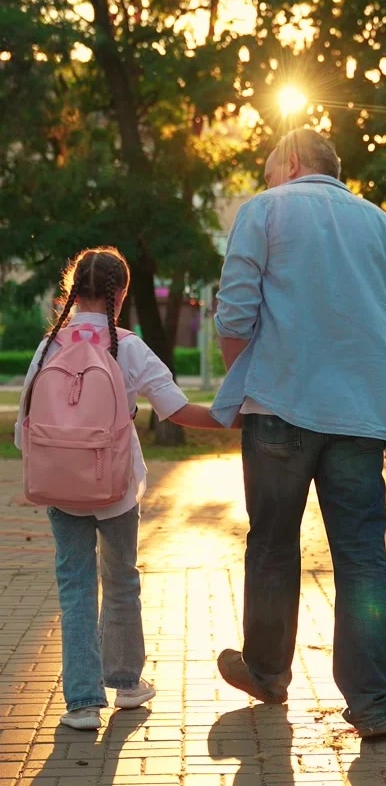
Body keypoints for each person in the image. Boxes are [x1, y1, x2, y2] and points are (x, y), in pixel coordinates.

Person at [210, 128, 386, 738]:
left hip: (280, 407)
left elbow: (234, 313)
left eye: (270, 170)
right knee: (362, 556)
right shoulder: (381, 224)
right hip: (361, 416)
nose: (267, 180)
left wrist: (249, 379)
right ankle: (372, 703)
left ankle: (267, 673)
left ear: (293, 161)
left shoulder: (264, 210)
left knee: (273, 545)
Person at [15, 247, 230, 731]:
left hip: (60, 490)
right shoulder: (129, 347)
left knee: (75, 589)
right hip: (116, 489)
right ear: (122, 293)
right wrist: (237, 421)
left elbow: (23, 427)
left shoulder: (49, 347)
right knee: (121, 582)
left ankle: (82, 704)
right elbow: (176, 410)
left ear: (72, 291)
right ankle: (127, 684)